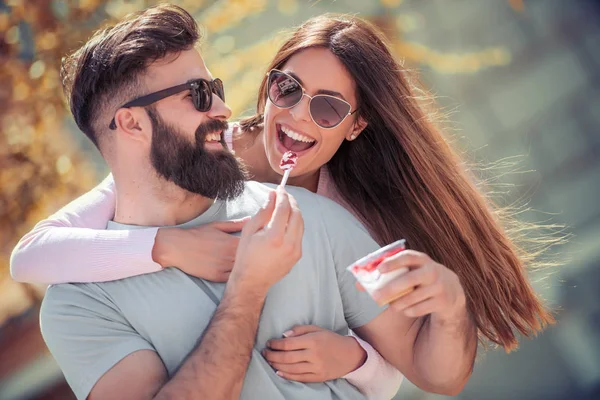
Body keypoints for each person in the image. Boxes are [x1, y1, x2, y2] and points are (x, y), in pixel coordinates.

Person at [13, 4, 555, 398]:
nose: (295, 115)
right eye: (286, 89)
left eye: (326, 109)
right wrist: (173, 248)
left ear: (354, 127)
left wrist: (391, 340)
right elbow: (32, 255)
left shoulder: (329, 215)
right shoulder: (208, 150)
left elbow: (422, 366)